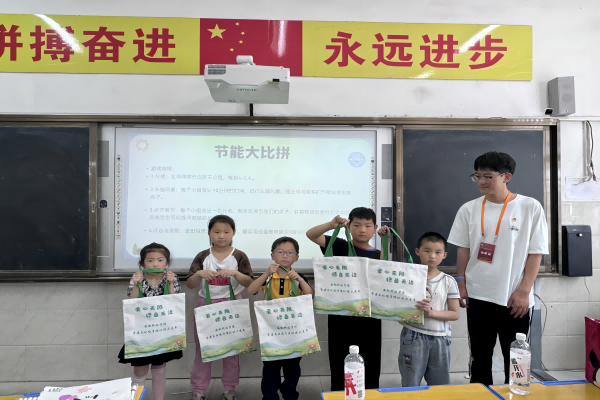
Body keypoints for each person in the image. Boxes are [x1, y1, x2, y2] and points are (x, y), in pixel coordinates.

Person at [448, 152, 548, 386]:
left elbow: (536, 252)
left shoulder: (529, 207)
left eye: (488, 176)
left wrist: (524, 291)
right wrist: (461, 284)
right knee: (480, 358)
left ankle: (516, 395)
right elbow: (463, 249)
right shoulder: (469, 209)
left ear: (506, 177)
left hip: (514, 297)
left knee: (516, 360)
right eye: (477, 176)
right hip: (478, 295)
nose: (481, 181)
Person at [306, 207, 382, 391]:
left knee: (370, 363)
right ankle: (340, 394)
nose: (362, 230)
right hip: (340, 318)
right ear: (348, 227)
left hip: (370, 319)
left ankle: (369, 394)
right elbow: (311, 234)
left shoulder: (380, 255)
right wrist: (331, 224)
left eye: (367, 226)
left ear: (375, 228)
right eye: (356, 225)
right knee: (340, 361)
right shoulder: (339, 245)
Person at [379, 228, 460, 386]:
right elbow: (384, 272)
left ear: (444, 255)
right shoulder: (407, 277)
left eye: (438, 252)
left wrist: (430, 313)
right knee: (411, 384)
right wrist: (385, 242)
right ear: (417, 251)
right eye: (427, 251)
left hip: (440, 338)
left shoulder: (448, 281)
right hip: (412, 335)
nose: (432, 256)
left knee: (440, 387)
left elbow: (455, 313)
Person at [187, 215, 255, 400]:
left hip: (233, 305)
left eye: (226, 231)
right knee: (203, 349)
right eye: (216, 232)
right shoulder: (203, 256)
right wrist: (199, 274)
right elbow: (191, 284)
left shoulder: (239, 256)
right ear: (209, 233)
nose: (221, 236)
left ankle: (229, 389)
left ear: (233, 233)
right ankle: (199, 390)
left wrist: (235, 273)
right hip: (206, 305)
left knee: (233, 350)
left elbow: (250, 283)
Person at [248, 237, 314, 400]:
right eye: (280, 252)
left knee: (293, 368)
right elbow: (251, 290)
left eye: (290, 253)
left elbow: (310, 296)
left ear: (296, 258)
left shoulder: (298, 277)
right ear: (272, 255)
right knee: (270, 369)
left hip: (294, 332)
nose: (285, 256)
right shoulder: (268, 278)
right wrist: (266, 273)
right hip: (271, 333)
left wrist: (299, 280)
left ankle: (289, 393)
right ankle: (270, 396)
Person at [118, 242, 182, 400]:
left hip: (163, 330)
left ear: (167, 262)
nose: (155, 264)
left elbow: (174, 302)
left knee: (159, 367)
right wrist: (136, 284)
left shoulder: (171, 278)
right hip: (142, 331)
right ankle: (135, 398)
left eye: (160, 260)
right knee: (140, 368)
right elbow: (132, 301)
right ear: (142, 263)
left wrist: (170, 283)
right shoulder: (138, 278)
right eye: (150, 260)